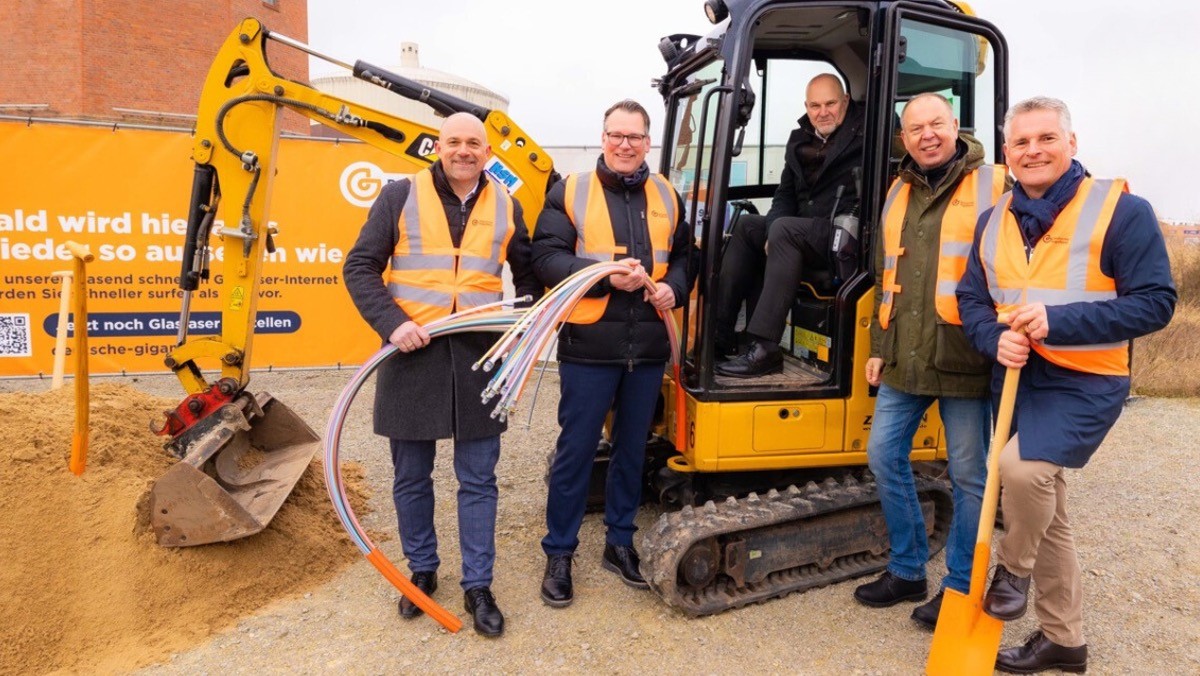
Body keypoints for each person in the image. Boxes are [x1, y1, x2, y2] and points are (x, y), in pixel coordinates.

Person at [957, 96, 1175, 673]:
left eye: (1046, 139)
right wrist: (990, 338)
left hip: (1086, 379)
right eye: (1021, 142)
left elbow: (1157, 304)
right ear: (1007, 154)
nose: (1034, 151)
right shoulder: (993, 219)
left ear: (1071, 144)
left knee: (1022, 472)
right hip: (1019, 375)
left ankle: (1014, 569)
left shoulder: (1122, 212)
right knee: (1047, 512)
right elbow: (972, 299)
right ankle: (1065, 639)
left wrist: (1061, 322)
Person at [342, 112, 541, 638]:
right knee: (411, 477)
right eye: (454, 141)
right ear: (438, 146)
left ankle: (479, 584)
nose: (464, 151)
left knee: (479, 479)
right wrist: (393, 325)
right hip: (410, 354)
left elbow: (527, 278)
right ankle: (423, 571)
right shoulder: (398, 195)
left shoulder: (507, 204)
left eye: (474, 143)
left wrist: (519, 326)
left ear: (487, 151)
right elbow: (359, 266)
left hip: (479, 357)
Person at [851, 92, 1009, 631]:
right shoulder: (898, 189)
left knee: (969, 475)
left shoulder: (995, 184)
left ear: (955, 125)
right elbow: (885, 275)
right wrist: (878, 347)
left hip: (966, 355)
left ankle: (961, 585)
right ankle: (907, 569)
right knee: (882, 456)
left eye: (936, 123)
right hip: (905, 356)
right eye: (916, 127)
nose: (927, 135)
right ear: (904, 138)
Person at [532, 99, 693, 607]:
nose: (625, 145)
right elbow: (545, 256)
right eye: (616, 135)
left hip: (646, 348)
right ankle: (559, 553)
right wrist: (601, 275)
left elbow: (687, 258)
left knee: (631, 452)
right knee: (577, 452)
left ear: (649, 142)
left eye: (635, 137)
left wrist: (677, 290)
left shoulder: (667, 193)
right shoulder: (571, 191)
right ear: (603, 138)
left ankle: (619, 543)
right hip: (590, 347)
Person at [715, 73, 864, 377]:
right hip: (800, 231)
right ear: (806, 107)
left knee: (785, 229)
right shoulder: (799, 140)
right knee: (747, 226)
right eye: (815, 105)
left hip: (842, 233)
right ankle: (719, 337)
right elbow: (784, 194)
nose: (822, 112)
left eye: (831, 103)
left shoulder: (867, 133)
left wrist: (780, 229)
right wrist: (770, 231)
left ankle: (766, 348)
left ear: (846, 101)